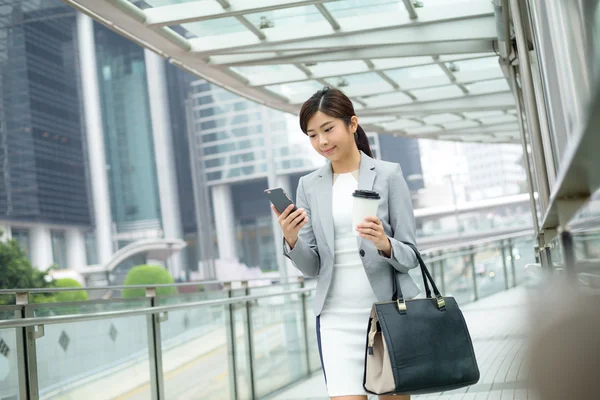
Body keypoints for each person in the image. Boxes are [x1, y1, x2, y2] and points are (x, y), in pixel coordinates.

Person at [271, 87, 420, 400]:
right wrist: (291, 237)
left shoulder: (389, 175)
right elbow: (312, 267)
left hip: (387, 316)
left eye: (328, 129)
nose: (322, 142)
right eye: (312, 135)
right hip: (335, 319)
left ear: (352, 124)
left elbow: (411, 256)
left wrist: (384, 243)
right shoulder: (308, 186)